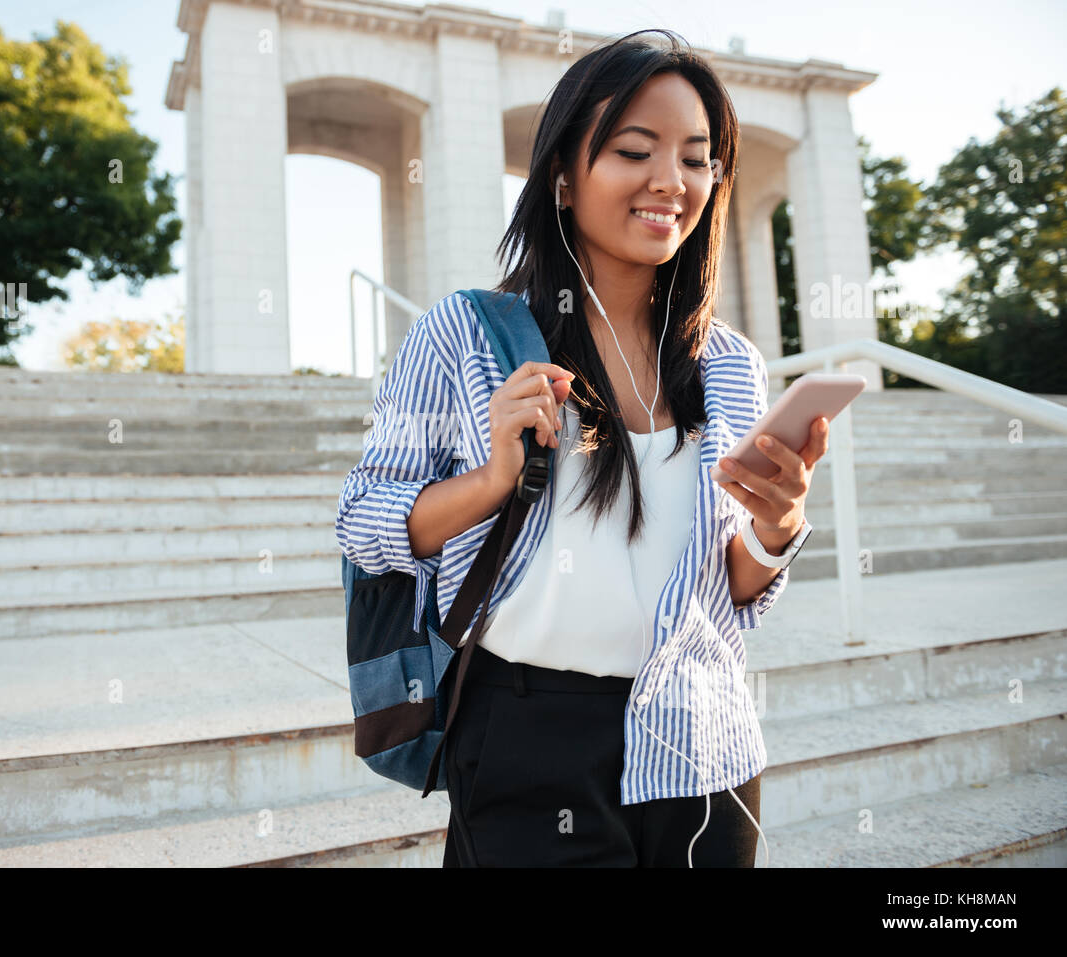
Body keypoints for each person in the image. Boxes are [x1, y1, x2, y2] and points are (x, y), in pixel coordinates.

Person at [335, 28, 828, 867]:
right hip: (530, 736)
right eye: (635, 150)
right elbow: (363, 520)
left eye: (697, 158)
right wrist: (493, 478)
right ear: (563, 176)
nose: (670, 181)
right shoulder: (466, 334)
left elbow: (731, 592)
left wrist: (777, 527)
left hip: (705, 742)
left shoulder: (733, 366)